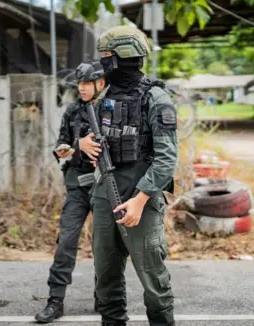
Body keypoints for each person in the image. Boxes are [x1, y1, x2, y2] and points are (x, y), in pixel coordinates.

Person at [78, 25, 179, 326]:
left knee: (153, 280)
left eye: (107, 56)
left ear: (125, 57)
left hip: (141, 199)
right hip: (105, 194)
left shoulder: (156, 98)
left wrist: (141, 199)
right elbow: (93, 135)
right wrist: (83, 142)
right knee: (105, 278)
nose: (103, 63)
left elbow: (166, 158)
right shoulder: (104, 96)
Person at [35, 60, 107, 324]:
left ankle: (105, 295)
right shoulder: (72, 111)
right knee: (66, 241)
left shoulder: (112, 109)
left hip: (104, 187)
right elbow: (59, 150)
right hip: (78, 186)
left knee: (104, 245)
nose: (83, 88)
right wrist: (79, 145)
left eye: (87, 83)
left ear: (101, 83)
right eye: (80, 83)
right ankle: (55, 301)